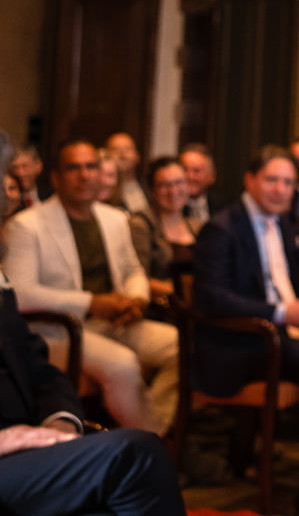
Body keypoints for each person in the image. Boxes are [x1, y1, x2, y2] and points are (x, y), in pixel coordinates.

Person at [0, 148, 185, 516]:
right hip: (68, 326)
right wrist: (94, 302)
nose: (11, 194)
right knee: (138, 454)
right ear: (55, 176)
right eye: (74, 167)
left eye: (91, 167)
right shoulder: (30, 224)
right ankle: (160, 441)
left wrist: (60, 423)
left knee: (182, 348)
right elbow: (29, 293)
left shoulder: (114, 218)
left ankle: (165, 433)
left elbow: (37, 368)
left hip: (113, 322)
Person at [193, 148, 299, 516]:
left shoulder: (283, 223)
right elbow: (212, 298)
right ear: (250, 180)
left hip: (286, 330)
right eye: (272, 179)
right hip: (241, 340)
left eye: (288, 182)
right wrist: (281, 313)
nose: (281, 189)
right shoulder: (222, 228)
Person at [127, 156, 200, 310]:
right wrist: (185, 291)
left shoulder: (197, 226)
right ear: (152, 190)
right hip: (161, 308)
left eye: (179, 182)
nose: (173, 191)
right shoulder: (141, 224)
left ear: (187, 185)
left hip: (195, 307)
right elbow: (137, 277)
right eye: (164, 185)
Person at [104, 132, 150, 216]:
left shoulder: (149, 186)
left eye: (128, 149)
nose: (122, 154)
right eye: (115, 149)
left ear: (137, 156)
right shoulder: (104, 190)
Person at [179, 143, 223, 225]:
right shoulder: (169, 207)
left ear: (212, 176)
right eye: (184, 169)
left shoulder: (223, 208)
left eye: (196, 171)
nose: (190, 176)